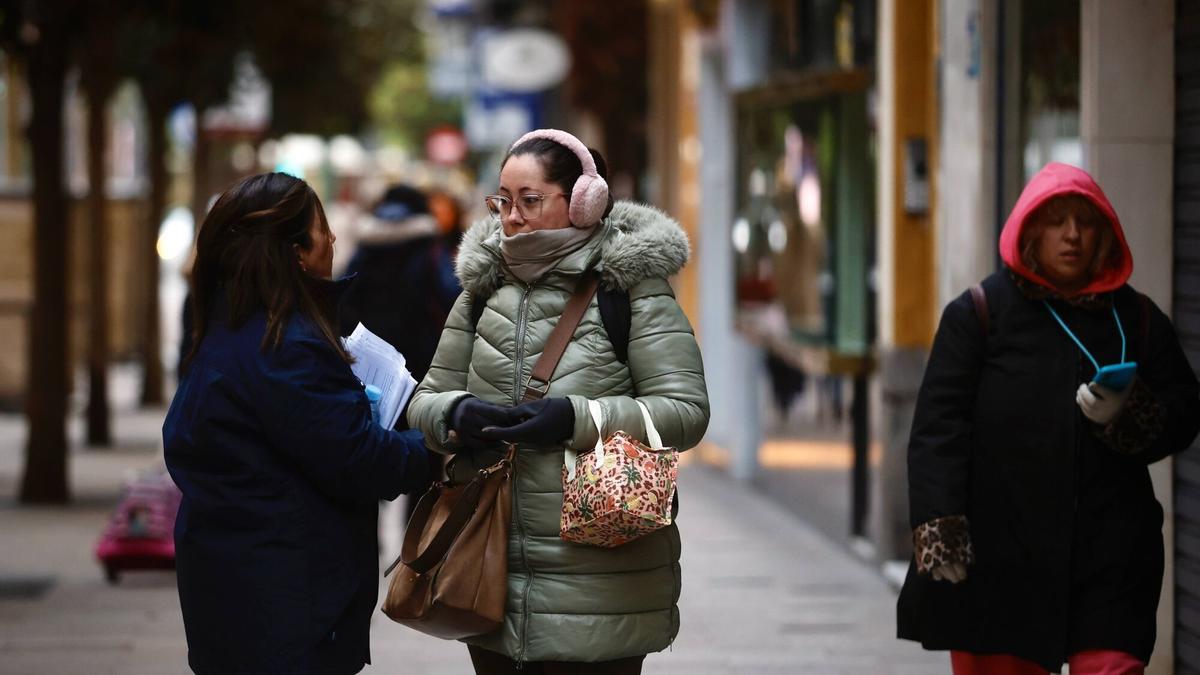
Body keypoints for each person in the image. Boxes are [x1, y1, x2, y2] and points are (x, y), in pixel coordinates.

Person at [407, 129, 710, 674]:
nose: (512, 217)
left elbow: (685, 412)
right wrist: (455, 414)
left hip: (600, 590)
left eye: (530, 200)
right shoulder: (480, 292)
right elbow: (424, 400)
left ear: (583, 203)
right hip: (488, 584)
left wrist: (577, 418)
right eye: (503, 201)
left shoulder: (631, 289)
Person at [897, 162, 1200, 674]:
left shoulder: (1139, 318)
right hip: (1002, 559)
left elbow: (1185, 413)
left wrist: (1132, 414)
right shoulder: (979, 314)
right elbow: (937, 430)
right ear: (1030, 230)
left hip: (1112, 563)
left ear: (1105, 233)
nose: (1073, 235)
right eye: (1057, 220)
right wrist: (940, 527)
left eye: (1085, 222)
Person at [163, 172, 430, 675]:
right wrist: (434, 447)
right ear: (294, 252)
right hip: (285, 604)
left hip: (236, 596)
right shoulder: (284, 346)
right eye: (321, 227)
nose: (331, 239)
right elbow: (359, 459)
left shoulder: (226, 326)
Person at [338, 183, 461, 386]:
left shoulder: (368, 241)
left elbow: (345, 289)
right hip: (417, 347)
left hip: (369, 346)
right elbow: (451, 295)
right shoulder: (429, 244)